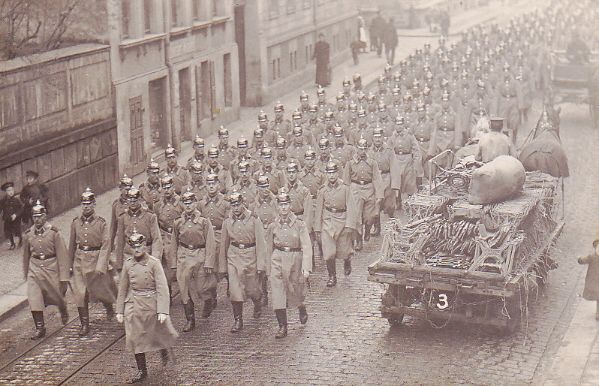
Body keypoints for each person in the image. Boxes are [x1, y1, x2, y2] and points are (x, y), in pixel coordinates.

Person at [116, 230, 178, 384]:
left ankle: (164, 349)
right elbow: (123, 288)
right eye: (134, 247)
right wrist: (119, 310)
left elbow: (162, 288)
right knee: (134, 337)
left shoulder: (154, 263)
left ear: (145, 246)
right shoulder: (128, 264)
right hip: (134, 304)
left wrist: (163, 310)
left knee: (158, 332)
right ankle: (141, 371)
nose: (137, 249)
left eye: (140, 246)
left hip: (151, 302)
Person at [68, 188, 116, 336]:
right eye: (83, 204)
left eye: (89, 204)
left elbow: (106, 244)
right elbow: (71, 245)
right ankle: (84, 324)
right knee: (80, 292)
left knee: (100, 290)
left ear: (94, 204)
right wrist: (69, 265)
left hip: (95, 259)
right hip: (80, 259)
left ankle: (108, 306)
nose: (86, 206)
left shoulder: (101, 223)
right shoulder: (75, 223)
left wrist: (101, 265)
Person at [265, 190, 312, 339]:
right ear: (277, 206)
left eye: (286, 204)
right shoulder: (273, 226)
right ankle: (282, 326)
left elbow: (306, 246)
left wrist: (306, 268)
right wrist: (267, 268)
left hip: (295, 259)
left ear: (290, 205)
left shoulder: (299, 224)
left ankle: (301, 306)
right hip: (278, 258)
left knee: (295, 290)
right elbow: (268, 248)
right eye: (281, 205)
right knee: (277, 291)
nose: (284, 208)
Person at [218, 191, 267, 333]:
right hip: (233, 256)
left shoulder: (254, 219)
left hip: (250, 256)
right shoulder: (227, 222)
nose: (236, 208)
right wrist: (222, 267)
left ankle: (257, 301)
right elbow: (224, 244)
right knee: (235, 289)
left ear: (243, 203)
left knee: (252, 289)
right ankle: (238, 319)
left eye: (238, 204)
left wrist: (261, 265)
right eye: (233, 205)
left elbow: (261, 243)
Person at [22, 201, 70, 340]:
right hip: (35, 268)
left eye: (39, 216)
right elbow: (26, 255)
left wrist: (64, 277)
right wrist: (26, 273)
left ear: (45, 216)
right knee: (34, 296)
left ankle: (62, 307)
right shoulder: (28, 234)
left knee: (56, 296)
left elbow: (62, 255)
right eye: (34, 217)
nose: (37, 219)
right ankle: (40, 327)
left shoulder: (54, 233)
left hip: (51, 267)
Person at [172, 190, 217, 331]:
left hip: (200, 254)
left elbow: (210, 242)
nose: (188, 205)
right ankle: (190, 319)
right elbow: (174, 242)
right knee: (184, 287)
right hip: (184, 255)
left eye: (190, 202)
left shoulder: (204, 222)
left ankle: (208, 299)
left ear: (195, 203)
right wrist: (173, 262)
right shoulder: (178, 222)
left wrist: (209, 262)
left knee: (201, 287)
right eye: (185, 202)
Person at [313, 161, 354, 287]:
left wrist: (349, 225)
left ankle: (347, 260)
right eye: (329, 173)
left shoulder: (345, 188)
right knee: (329, 251)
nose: (331, 176)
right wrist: (318, 229)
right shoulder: (323, 190)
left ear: (337, 173)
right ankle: (332, 276)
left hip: (342, 219)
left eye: (333, 173)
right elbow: (319, 209)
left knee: (344, 250)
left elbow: (351, 207)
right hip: (328, 220)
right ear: (326, 174)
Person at [578, 234, 599, 320]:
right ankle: (598, 313)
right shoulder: (592, 257)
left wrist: (579, 259)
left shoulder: (592, 257)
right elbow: (583, 260)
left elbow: (583, 260)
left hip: (594, 280)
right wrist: (580, 259)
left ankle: (598, 313)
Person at [1, 182, 23, 249]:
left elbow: (21, 209)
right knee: (8, 231)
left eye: (12, 190)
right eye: (8, 190)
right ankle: (12, 243)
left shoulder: (16, 199)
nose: (11, 192)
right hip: (7, 218)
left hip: (16, 219)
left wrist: (16, 215)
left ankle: (20, 240)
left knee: (17, 230)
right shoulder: (3, 201)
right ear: (5, 192)